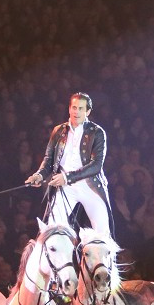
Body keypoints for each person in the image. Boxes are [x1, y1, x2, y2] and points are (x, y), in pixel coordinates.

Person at [25, 92, 114, 236]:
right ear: (69, 109)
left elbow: (96, 165)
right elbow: (49, 159)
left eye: (80, 108)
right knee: (53, 230)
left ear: (88, 111)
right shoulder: (59, 131)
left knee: (103, 234)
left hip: (90, 186)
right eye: (74, 107)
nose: (76, 112)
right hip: (65, 187)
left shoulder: (97, 133)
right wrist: (39, 175)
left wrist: (67, 177)